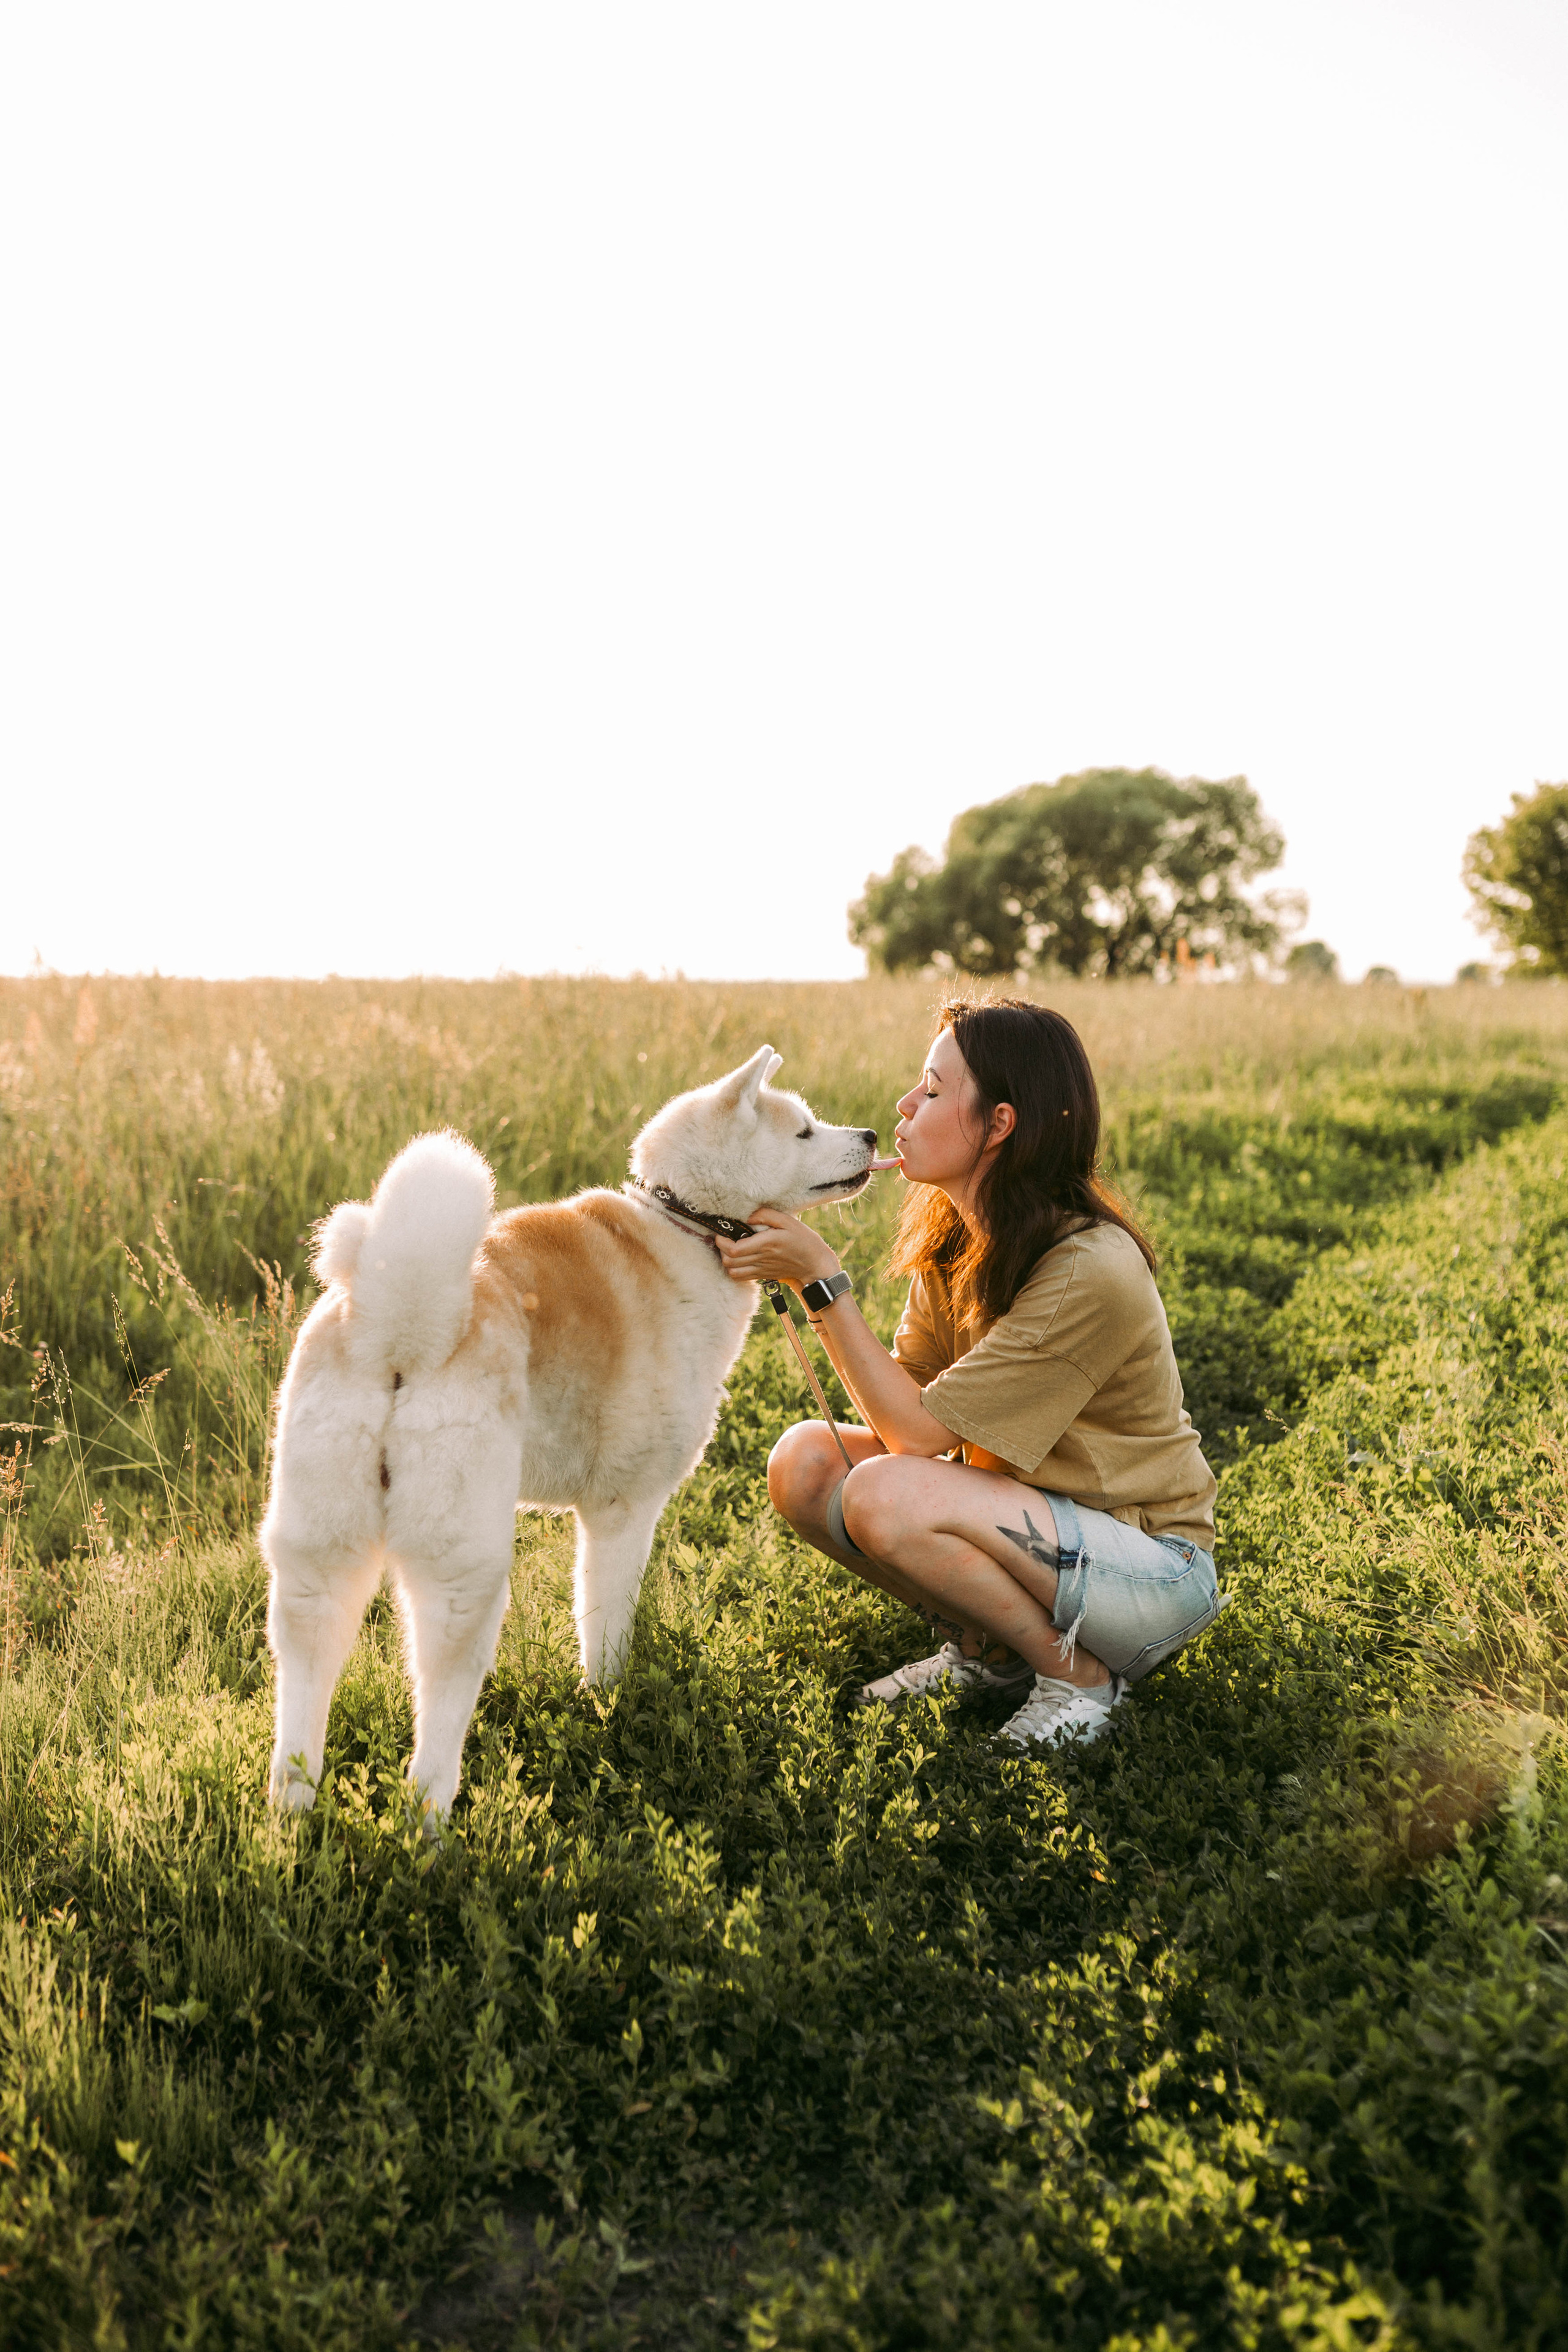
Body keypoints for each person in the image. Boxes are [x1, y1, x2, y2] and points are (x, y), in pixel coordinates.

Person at [714, 996, 1223, 1751]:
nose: (904, 1104)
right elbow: (905, 1397)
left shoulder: (1088, 1269)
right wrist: (808, 1280)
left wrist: (821, 1279)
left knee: (885, 1490)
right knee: (806, 1461)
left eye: (932, 1088)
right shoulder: (960, 1236)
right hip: (1042, 1534)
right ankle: (990, 1652)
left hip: (1150, 1570)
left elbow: (913, 1437)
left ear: (1000, 1124)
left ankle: (1078, 1676)